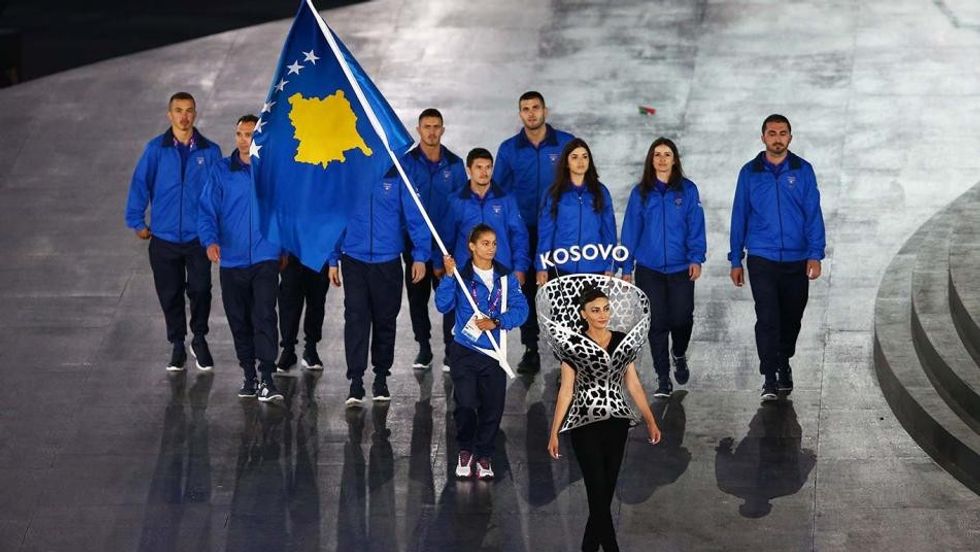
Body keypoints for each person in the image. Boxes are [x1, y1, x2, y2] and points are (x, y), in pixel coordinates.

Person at [546, 286, 661, 552]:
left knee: (603, 495)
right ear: (583, 313)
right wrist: (554, 431)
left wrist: (651, 419)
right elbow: (566, 391)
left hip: (617, 424)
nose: (602, 315)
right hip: (584, 425)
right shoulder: (573, 344)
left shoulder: (621, 340)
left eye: (606, 309)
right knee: (597, 490)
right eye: (595, 310)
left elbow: (633, 384)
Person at [728, 114, 826, 401]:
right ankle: (769, 376)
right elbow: (739, 216)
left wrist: (815, 254)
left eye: (783, 133)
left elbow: (813, 214)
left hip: (797, 258)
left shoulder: (803, 170)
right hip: (762, 256)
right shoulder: (749, 173)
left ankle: (784, 359)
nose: (777, 138)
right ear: (763, 138)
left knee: (792, 317)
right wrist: (736, 259)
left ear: (790, 138)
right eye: (772, 133)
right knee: (768, 315)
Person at [125, 91, 222, 371]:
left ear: (195, 113)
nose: (184, 116)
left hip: (198, 238)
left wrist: (218, 231)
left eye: (189, 110)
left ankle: (199, 338)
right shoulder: (156, 149)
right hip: (164, 237)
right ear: (169, 115)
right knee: (170, 293)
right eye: (178, 110)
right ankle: (178, 344)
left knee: (201, 289)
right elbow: (140, 184)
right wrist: (137, 221)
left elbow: (218, 193)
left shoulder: (210, 151)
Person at [328, 159, 431, 406]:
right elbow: (337, 217)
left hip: (388, 262)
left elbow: (416, 217)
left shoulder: (399, 175)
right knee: (356, 319)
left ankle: (381, 377)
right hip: (354, 259)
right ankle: (355, 382)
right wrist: (333, 258)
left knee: (385, 319)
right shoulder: (349, 174)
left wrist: (420, 256)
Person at [197, 114, 283, 401]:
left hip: (265, 257)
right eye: (240, 134)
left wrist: (284, 246)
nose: (244, 140)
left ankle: (267, 376)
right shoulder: (221, 171)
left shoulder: (271, 171)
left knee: (265, 315)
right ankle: (249, 376)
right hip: (232, 260)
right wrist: (210, 241)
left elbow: (286, 211)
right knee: (239, 320)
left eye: (250, 134)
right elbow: (207, 210)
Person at [435, 224, 528, 481]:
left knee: (492, 407)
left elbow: (522, 309)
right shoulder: (461, 276)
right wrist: (449, 277)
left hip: (493, 353)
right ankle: (465, 450)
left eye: (494, 243)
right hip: (464, 350)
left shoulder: (506, 278)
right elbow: (443, 305)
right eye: (485, 243)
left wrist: (497, 322)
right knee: (465, 404)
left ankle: (484, 454)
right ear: (472, 246)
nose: (491, 248)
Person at [494, 91, 574, 373]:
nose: (531, 113)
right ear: (520, 114)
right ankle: (530, 348)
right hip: (523, 231)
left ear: (545, 111)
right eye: (525, 109)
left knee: (561, 288)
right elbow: (498, 192)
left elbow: (580, 180)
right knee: (525, 289)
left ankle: (567, 350)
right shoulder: (509, 150)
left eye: (535, 108)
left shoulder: (565, 145)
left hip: (557, 231)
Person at [620, 137, 706, 398]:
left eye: (667, 154)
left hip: (681, 267)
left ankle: (678, 353)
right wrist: (626, 266)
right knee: (656, 323)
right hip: (650, 268)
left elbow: (696, 226)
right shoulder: (641, 193)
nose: (662, 159)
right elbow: (631, 231)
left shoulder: (688, 191)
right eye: (657, 154)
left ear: (674, 159)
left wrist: (696, 258)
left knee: (682, 317)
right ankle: (663, 377)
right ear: (651, 159)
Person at [436, 148, 529, 372]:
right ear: (469, 170)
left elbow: (519, 234)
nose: (484, 172)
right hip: (465, 273)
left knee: (497, 313)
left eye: (488, 167)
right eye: (479, 167)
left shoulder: (506, 200)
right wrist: (440, 265)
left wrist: (520, 266)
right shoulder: (456, 201)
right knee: (458, 312)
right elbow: (445, 236)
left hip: (499, 271)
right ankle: (454, 354)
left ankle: (493, 358)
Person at [400, 108, 468, 370]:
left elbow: (461, 208)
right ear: (418, 130)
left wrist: (450, 250)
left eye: (436, 126)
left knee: (449, 298)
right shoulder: (406, 164)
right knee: (417, 298)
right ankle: (424, 347)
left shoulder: (454, 164)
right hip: (415, 245)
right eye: (426, 127)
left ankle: (451, 350)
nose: (431, 132)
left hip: (446, 245)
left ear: (443, 129)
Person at [535, 138, 617, 282]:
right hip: (561, 269)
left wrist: (611, 265)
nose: (580, 161)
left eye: (585, 157)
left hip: (594, 269)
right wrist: (542, 266)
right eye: (575, 157)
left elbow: (609, 232)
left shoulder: (601, 192)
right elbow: (546, 233)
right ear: (566, 162)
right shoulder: (553, 193)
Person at [275, 251, 329, 373]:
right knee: (289, 301)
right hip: (292, 249)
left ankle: (311, 348)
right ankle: (288, 350)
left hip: (318, 248)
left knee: (317, 299)